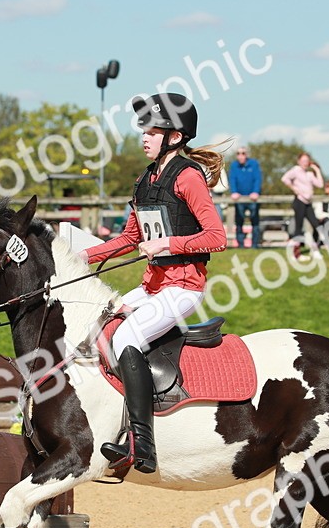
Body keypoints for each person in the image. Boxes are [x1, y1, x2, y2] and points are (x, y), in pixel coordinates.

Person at [77, 93, 227, 474]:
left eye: (153, 130)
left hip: (183, 287)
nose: (144, 136)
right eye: (144, 129)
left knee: (126, 338)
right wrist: (81, 257)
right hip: (151, 286)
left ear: (174, 137)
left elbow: (216, 236)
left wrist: (168, 243)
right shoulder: (145, 179)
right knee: (96, 327)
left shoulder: (189, 177)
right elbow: (129, 237)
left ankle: (141, 444)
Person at [280, 152, 324, 259]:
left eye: (307, 161)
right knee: (298, 228)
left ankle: (315, 249)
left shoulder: (309, 174)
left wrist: (317, 170)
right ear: (299, 161)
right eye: (303, 161)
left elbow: (320, 184)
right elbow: (285, 178)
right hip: (299, 202)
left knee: (316, 224)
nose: (305, 163)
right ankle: (296, 254)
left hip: (308, 203)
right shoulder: (296, 170)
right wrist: (294, 189)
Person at [228, 146, 262, 247]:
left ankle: (255, 245)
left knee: (255, 221)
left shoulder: (254, 164)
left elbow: (258, 179)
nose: (240, 155)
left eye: (243, 153)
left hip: (253, 198)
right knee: (239, 221)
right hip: (239, 198)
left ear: (246, 154)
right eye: (238, 153)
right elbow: (232, 179)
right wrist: (234, 192)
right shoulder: (234, 165)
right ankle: (240, 245)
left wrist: (256, 192)